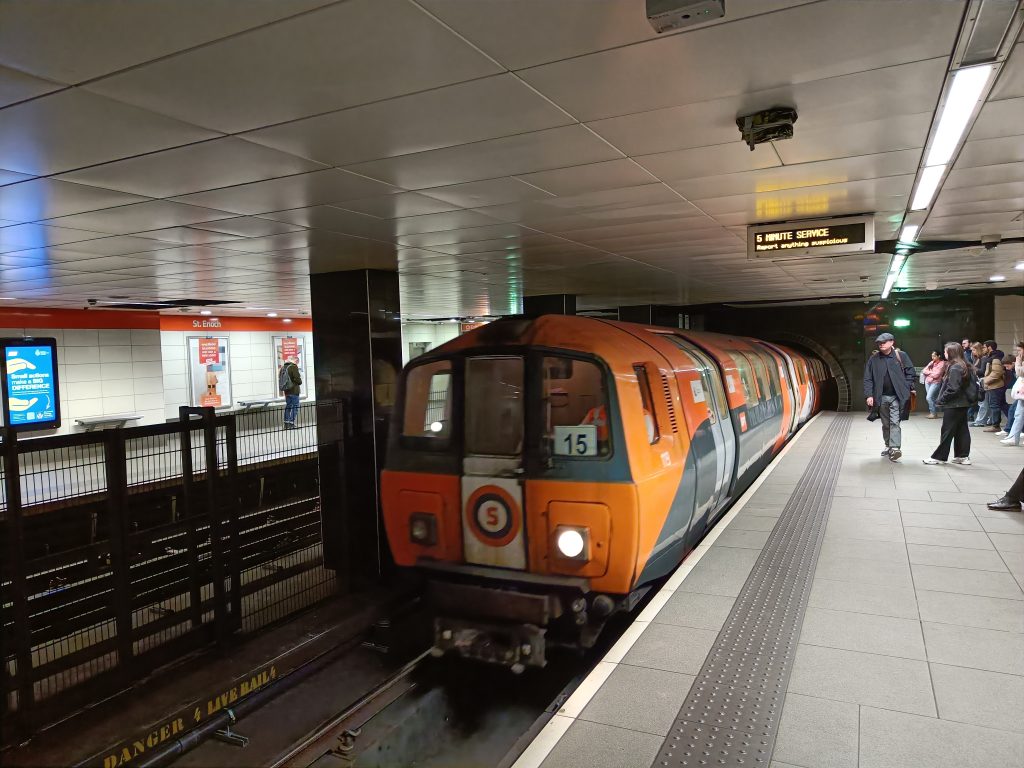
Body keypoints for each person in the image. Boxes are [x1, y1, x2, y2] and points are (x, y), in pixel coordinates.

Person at [864, 332, 916, 461]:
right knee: (886, 423)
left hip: (897, 396)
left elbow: (911, 372)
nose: (881, 344)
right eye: (879, 343)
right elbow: (868, 378)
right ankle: (888, 445)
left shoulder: (901, 356)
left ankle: (895, 448)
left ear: (892, 342)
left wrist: (906, 387)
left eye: (884, 342)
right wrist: (869, 395)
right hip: (881, 397)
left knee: (894, 422)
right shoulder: (874, 359)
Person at [923, 342, 973, 465]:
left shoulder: (955, 367)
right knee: (962, 430)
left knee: (947, 430)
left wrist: (941, 400)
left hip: (954, 404)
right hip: (963, 403)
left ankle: (939, 457)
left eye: (945, 351)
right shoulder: (965, 365)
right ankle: (962, 456)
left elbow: (953, 388)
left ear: (951, 353)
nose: (944, 353)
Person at [1000, 344, 1024, 446]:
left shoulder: (1019, 361)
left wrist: (1018, 362)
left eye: (1019, 350)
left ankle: (1013, 436)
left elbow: (1020, 373)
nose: (1018, 353)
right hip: (1022, 393)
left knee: (1017, 413)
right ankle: (1013, 437)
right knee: (1018, 414)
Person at [981, 340, 1006, 432]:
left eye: (984, 347)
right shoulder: (992, 357)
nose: (983, 349)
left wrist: (985, 381)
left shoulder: (995, 358)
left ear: (989, 347)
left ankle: (996, 426)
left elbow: (997, 372)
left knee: (994, 405)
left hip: (995, 386)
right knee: (1002, 405)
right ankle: (1012, 422)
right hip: (995, 386)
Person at [279, 356, 302, 429]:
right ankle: (291, 423)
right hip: (294, 390)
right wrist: (300, 382)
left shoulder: (283, 368)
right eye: (297, 362)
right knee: (295, 406)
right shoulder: (293, 367)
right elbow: (297, 379)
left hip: (287, 391)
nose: (297, 364)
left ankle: (286, 424)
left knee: (288, 406)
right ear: (295, 361)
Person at [922, 350, 946, 418]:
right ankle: (933, 413)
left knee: (929, 397)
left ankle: (933, 413)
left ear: (939, 356)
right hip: (927, 382)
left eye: (934, 356)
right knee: (931, 398)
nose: (932, 357)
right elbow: (924, 370)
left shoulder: (942, 363)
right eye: (932, 356)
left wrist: (929, 373)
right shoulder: (931, 362)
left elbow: (937, 375)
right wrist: (931, 373)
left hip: (935, 382)